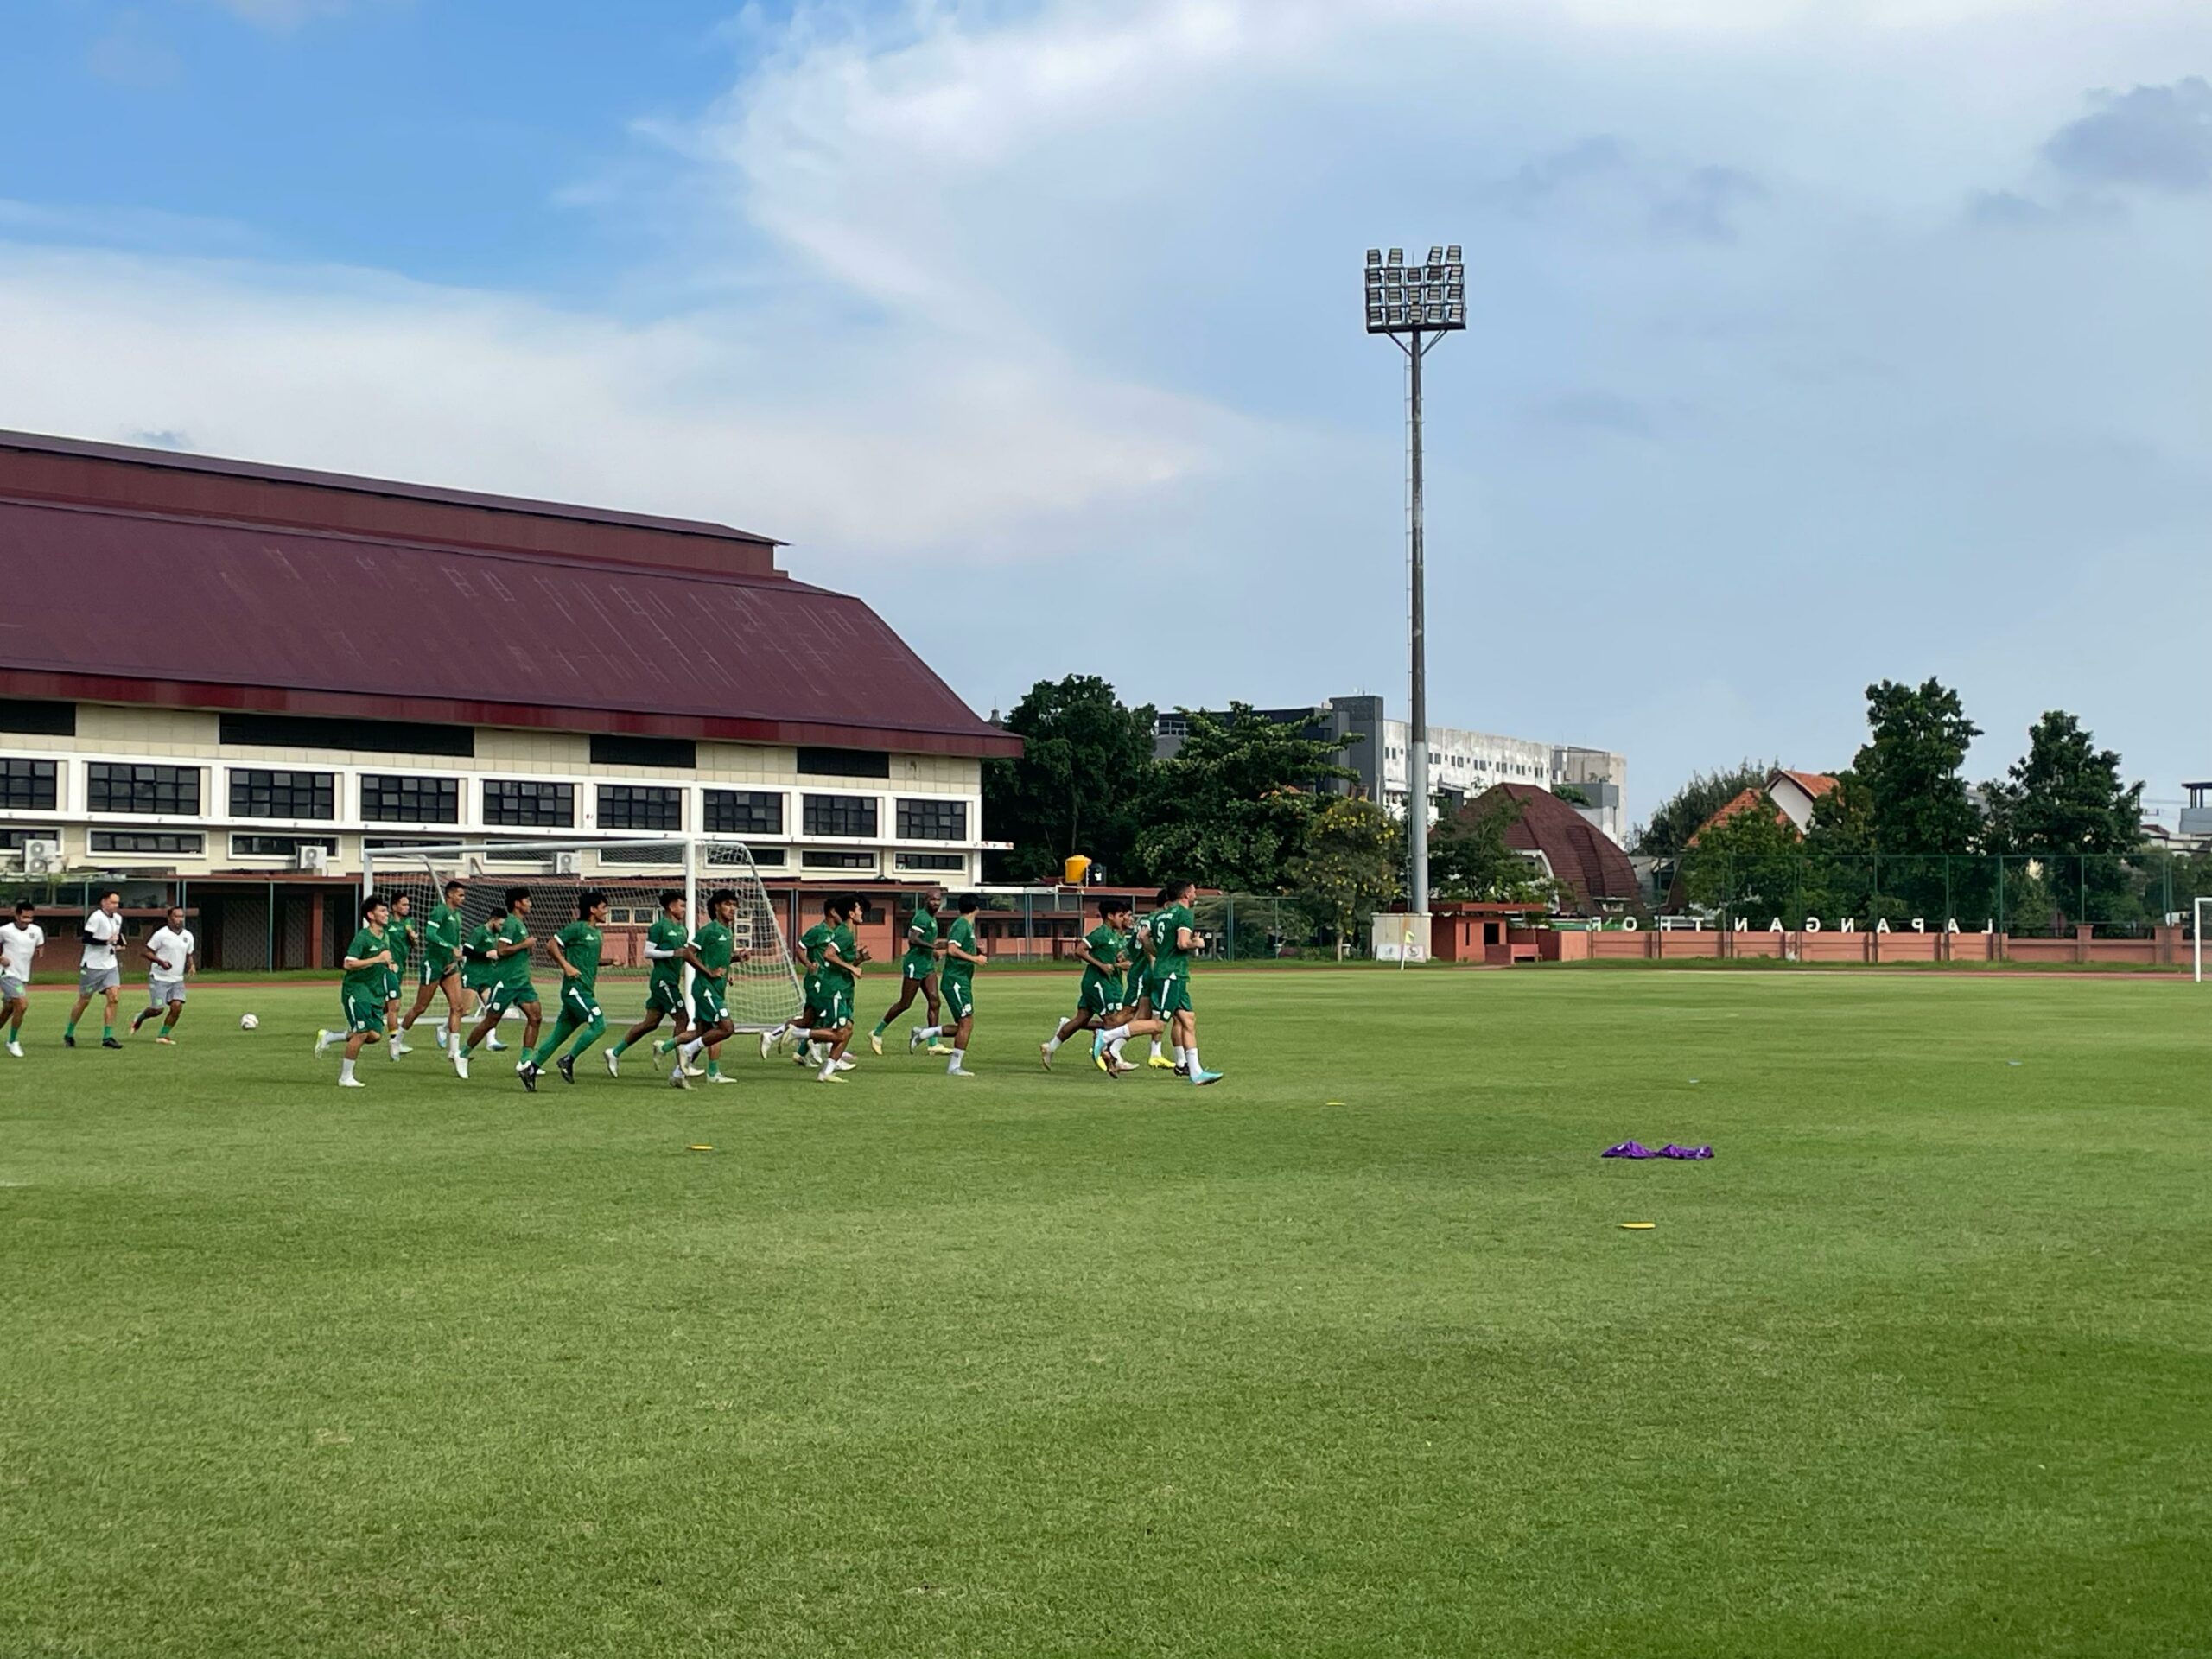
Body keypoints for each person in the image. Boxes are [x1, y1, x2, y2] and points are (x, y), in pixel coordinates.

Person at [1042, 896, 1141, 1072]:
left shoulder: (1116, 936)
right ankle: (1114, 1058)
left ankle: (1051, 1047)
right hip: (1100, 984)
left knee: (1081, 1020)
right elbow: (1080, 950)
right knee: (1113, 1022)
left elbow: (1114, 960)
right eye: (1120, 915)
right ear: (1110, 916)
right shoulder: (1101, 933)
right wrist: (1101, 965)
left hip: (1106, 983)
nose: (1123, 918)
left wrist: (1120, 964)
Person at [522, 890, 609, 1090]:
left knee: (558, 1035)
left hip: (585, 989)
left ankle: (530, 1070)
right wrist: (565, 966)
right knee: (599, 1024)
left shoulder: (597, 933)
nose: (606, 912)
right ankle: (568, 1060)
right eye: (603, 908)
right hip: (574, 990)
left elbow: (589, 961)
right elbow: (551, 945)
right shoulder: (577, 928)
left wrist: (609, 962)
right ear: (593, 909)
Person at [453, 887, 539, 1081]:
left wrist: (527, 949)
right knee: (490, 1021)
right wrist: (524, 945)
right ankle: (463, 1054)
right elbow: (502, 950)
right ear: (517, 903)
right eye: (527, 900)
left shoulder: (520, 924)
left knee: (536, 1017)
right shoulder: (510, 924)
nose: (530, 903)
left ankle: (525, 1061)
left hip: (522, 982)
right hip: (506, 982)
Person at [606, 889, 692, 1077]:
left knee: (650, 1023)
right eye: (681, 905)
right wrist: (673, 953)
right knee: (682, 1018)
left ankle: (614, 1052)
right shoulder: (659, 927)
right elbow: (647, 952)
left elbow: (685, 955)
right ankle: (681, 1065)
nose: (684, 909)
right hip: (663, 981)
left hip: (671, 981)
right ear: (671, 906)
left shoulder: (682, 930)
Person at [1144, 879, 1220, 1085]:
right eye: (1193, 891)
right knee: (1159, 1023)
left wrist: (1157, 954)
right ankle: (1108, 1039)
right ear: (1186, 894)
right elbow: (1182, 943)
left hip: (1167, 971)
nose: (1195, 894)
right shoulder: (1184, 914)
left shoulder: (1161, 915)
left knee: (1188, 1020)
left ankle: (1195, 1071)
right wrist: (1198, 943)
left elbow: (1145, 938)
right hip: (1172, 974)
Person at [314, 895, 394, 1088]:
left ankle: (331, 1036)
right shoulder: (363, 937)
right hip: (356, 991)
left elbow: (384, 960)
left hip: (374, 992)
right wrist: (376, 959)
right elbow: (348, 963)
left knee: (374, 1036)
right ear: (371, 915)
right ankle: (345, 1078)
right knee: (362, 1032)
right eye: (382, 911)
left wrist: (390, 965)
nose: (386, 913)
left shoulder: (385, 936)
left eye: (386, 910)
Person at [671, 888, 747, 1088]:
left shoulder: (727, 932)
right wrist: (708, 972)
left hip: (717, 988)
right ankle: (686, 1051)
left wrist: (737, 958)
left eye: (734, 904)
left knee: (704, 1032)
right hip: (705, 988)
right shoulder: (710, 930)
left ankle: (678, 1073)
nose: (732, 908)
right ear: (716, 907)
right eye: (727, 904)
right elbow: (688, 953)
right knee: (726, 1028)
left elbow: (720, 960)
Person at [912, 893, 982, 1077]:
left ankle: (923, 1034)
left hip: (961, 980)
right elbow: (952, 949)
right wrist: (974, 958)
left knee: (963, 1026)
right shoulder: (962, 925)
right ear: (976, 909)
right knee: (966, 1023)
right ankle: (954, 1067)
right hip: (956, 981)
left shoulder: (967, 925)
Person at [868, 889, 945, 1055]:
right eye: (932, 899)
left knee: (935, 1002)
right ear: (926, 900)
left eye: (938, 900)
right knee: (905, 1003)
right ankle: (877, 1032)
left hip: (927, 965)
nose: (936, 903)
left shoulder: (932, 918)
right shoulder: (921, 917)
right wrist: (933, 947)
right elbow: (913, 939)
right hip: (915, 965)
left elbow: (924, 940)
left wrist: (932, 953)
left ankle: (933, 1043)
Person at [800, 895, 867, 1084]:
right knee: (840, 1032)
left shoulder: (847, 933)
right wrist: (852, 968)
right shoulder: (844, 932)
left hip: (844, 988)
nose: (862, 913)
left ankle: (826, 1071)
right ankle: (798, 1034)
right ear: (851, 913)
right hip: (835, 987)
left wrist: (859, 960)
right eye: (859, 909)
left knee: (848, 1030)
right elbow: (829, 955)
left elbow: (842, 960)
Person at [397, 880, 467, 1054]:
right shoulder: (440, 911)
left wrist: (454, 958)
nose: (463, 899)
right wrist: (450, 947)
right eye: (460, 895)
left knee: (458, 1007)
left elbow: (456, 941)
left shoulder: (457, 915)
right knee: (420, 1007)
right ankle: (397, 1038)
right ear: (450, 895)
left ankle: (455, 1052)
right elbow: (430, 934)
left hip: (450, 966)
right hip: (433, 964)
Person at [63, 887, 125, 1050]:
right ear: (104, 902)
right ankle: (69, 1033)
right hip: (92, 965)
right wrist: (106, 942)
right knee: (85, 1000)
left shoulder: (118, 918)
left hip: (110, 964)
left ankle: (108, 1037)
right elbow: (86, 938)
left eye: (117, 903)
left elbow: (117, 937)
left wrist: (118, 945)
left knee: (114, 998)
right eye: (112, 902)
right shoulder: (96, 917)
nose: (115, 906)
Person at [130, 904, 195, 1044]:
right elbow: (146, 951)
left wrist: (192, 965)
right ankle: (140, 1017)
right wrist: (160, 962)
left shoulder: (188, 936)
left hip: (177, 979)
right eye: (176, 916)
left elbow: (189, 953)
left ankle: (163, 1035)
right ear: (169, 918)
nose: (180, 919)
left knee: (177, 1006)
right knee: (157, 1009)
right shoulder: (161, 934)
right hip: (160, 978)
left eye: (181, 916)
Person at [0, 899, 46, 1057]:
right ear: (17, 916)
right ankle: (12, 1041)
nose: (27, 921)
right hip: (7, 973)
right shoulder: (5, 930)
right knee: (22, 1004)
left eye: (30, 918)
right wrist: (1, 958)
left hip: (23, 975)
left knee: (8, 1010)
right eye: (24, 917)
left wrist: (40, 950)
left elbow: (39, 944)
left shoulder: (36, 931)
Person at [381, 892, 418, 1059]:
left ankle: (358, 1024)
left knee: (383, 1006)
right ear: (394, 907)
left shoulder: (408, 922)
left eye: (408, 905)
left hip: (400, 968)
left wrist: (413, 937)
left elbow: (414, 945)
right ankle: (395, 1042)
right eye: (403, 904)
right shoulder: (386, 922)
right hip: (389, 967)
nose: (407, 907)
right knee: (394, 1005)